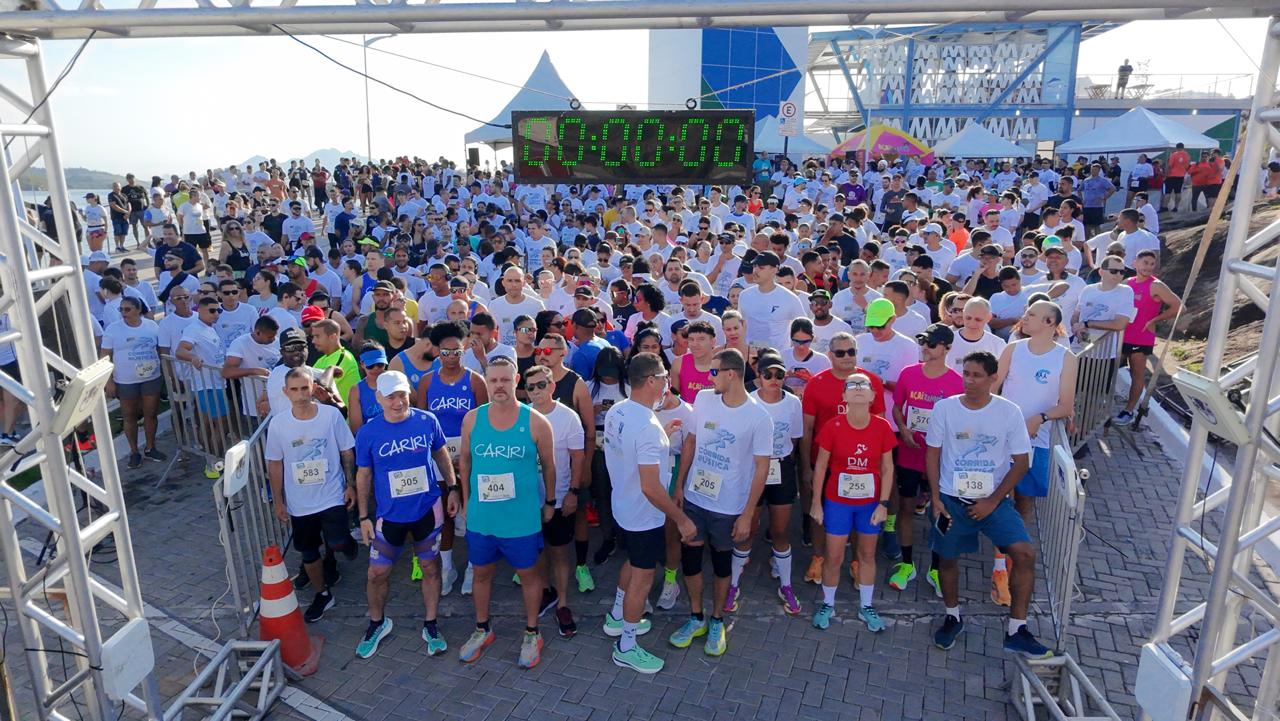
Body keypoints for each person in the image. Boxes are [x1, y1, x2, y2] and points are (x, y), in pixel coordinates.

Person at [926, 351, 1051, 659]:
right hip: (952, 500)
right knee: (947, 559)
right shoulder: (944, 409)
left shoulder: (1009, 412)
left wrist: (992, 501)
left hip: (993, 502)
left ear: (993, 378)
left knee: (1024, 554)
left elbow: (1021, 463)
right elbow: (932, 454)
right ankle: (952, 617)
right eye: (966, 373)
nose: (969, 381)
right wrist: (936, 498)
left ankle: (1017, 629)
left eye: (977, 375)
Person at [669, 349, 772, 657]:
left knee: (722, 564)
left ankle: (717, 620)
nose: (707, 378)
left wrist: (748, 512)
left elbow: (762, 468)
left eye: (713, 372)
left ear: (731, 374)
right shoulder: (703, 400)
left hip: (728, 506)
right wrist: (679, 484)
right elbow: (691, 442)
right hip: (695, 498)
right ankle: (696, 617)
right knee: (691, 559)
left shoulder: (758, 416)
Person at [456, 357, 558, 669]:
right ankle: (482, 628)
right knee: (481, 574)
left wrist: (551, 502)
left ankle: (532, 632)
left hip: (521, 519)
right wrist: (466, 502)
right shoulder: (473, 419)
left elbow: (550, 467)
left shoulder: (536, 421)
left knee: (530, 576)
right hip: (483, 518)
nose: (498, 386)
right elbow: (464, 462)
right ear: (485, 382)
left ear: (515, 381)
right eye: (493, 380)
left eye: (504, 380)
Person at [354, 370, 459, 659]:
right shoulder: (368, 432)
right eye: (391, 397)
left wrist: (452, 488)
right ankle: (378, 622)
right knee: (376, 573)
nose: (399, 402)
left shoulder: (427, 420)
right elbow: (363, 475)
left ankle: (431, 624)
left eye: (402, 395)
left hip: (427, 510)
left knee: (430, 568)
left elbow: (440, 453)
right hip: (390, 516)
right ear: (379, 399)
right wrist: (363, 517)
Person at [603, 352, 697, 674]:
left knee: (631, 561)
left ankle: (617, 616)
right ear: (652, 381)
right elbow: (651, 487)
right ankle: (626, 646)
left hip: (623, 506)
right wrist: (681, 519)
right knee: (643, 579)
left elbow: (626, 449)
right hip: (643, 515)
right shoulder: (648, 428)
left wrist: (660, 438)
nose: (668, 385)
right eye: (665, 379)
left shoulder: (618, 410)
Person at [266, 368, 357, 624]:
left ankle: (341, 550)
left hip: (331, 494)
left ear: (314, 388)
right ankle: (323, 593)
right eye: (294, 389)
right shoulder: (279, 424)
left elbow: (347, 451)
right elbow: (274, 463)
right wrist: (279, 501)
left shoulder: (330, 416)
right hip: (299, 502)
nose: (300, 394)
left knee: (339, 542)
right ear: (286, 392)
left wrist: (350, 485)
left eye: (304, 388)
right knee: (308, 551)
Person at [809, 372, 896, 632]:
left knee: (867, 554)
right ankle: (827, 603)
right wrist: (816, 502)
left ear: (872, 396)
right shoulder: (833, 426)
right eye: (852, 386)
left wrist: (884, 504)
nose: (858, 389)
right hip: (837, 502)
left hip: (869, 503)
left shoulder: (881, 426)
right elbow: (821, 466)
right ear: (844, 396)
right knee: (833, 556)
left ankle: (866, 605)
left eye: (864, 386)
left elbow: (888, 468)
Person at [800, 332, 886, 577]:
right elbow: (807, 429)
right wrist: (806, 466)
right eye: (840, 352)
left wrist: (879, 466)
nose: (847, 357)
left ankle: (857, 563)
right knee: (819, 514)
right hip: (825, 464)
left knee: (862, 516)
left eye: (852, 352)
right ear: (830, 355)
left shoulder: (871, 382)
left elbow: (879, 426)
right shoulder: (816, 383)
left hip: (862, 465)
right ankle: (818, 558)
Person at [888, 324, 963, 595]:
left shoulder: (956, 382)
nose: (925, 348)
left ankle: (935, 568)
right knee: (906, 508)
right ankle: (907, 564)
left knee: (939, 513)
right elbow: (897, 407)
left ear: (946, 348)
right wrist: (905, 430)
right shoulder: (908, 373)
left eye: (931, 344)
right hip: (909, 452)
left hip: (939, 459)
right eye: (923, 342)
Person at [417, 321, 489, 595]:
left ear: (464, 350)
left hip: (469, 454)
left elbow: (483, 422)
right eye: (445, 352)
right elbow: (423, 421)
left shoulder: (475, 380)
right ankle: (447, 567)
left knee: (471, 511)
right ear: (437, 352)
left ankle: (473, 566)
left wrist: (471, 458)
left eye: (456, 352)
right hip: (438, 455)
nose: (450, 358)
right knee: (443, 514)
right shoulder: (427, 382)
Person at [738, 353, 804, 615]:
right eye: (768, 375)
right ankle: (737, 571)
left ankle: (782, 571)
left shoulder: (793, 403)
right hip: (754, 470)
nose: (774, 380)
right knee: (749, 527)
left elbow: (796, 438)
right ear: (758, 377)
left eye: (779, 375)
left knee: (780, 529)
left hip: (781, 468)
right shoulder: (748, 402)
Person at [524, 364, 586, 637]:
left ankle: (562, 603)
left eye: (541, 384)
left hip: (560, 497)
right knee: (535, 552)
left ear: (552, 386)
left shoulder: (568, 417)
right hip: (528, 501)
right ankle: (545, 592)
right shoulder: (519, 416)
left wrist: (573, 492)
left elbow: (578, 457)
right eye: (530, 387)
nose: (536, 391)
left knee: (559, 552)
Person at [1115, 250, 1182, 425]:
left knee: (1137, 374)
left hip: (1141, 337)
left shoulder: (1156, 285)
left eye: (1152, 264)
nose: (1148, 267)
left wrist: (1155, 320)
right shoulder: (1127, 283)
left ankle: (1128, 411)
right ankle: (1106, 405)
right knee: (1110, 369)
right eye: (1145, 263)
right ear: (1135, 262)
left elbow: (1178, 306)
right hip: (1122, 335)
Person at [101, 297, 166, 469]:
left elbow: (160, 349)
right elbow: (105, 356)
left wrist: (165, 373)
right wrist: (109, 382)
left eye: (128, 309)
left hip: (151, 377)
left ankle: (151, 447)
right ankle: (134, 452)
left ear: (138, 310)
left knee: (150, 413)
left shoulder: (152, 326)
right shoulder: (113, 329)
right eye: (121, 310)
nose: (124, 313)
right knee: (129, 415)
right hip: (125, 379)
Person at [175, 296, 229, 479]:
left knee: (212, 423)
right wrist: (193, 358)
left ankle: (212, 458)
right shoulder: (194, 329)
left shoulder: (209, 328)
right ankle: (214, 462)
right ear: (201, 310)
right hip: (207, 385)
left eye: (219, 311)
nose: (216, 314)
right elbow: (180, 350)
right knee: (219, 424)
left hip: (216, 382)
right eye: (212, 311)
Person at [737, 252, 805, 352]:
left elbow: (804, 329)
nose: (755, 271)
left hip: (777, 360)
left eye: (761, 267)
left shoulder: (789, 298)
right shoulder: (744, 295)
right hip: (749, 357)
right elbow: (739, 326)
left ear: (775, 270)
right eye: (754, 266)